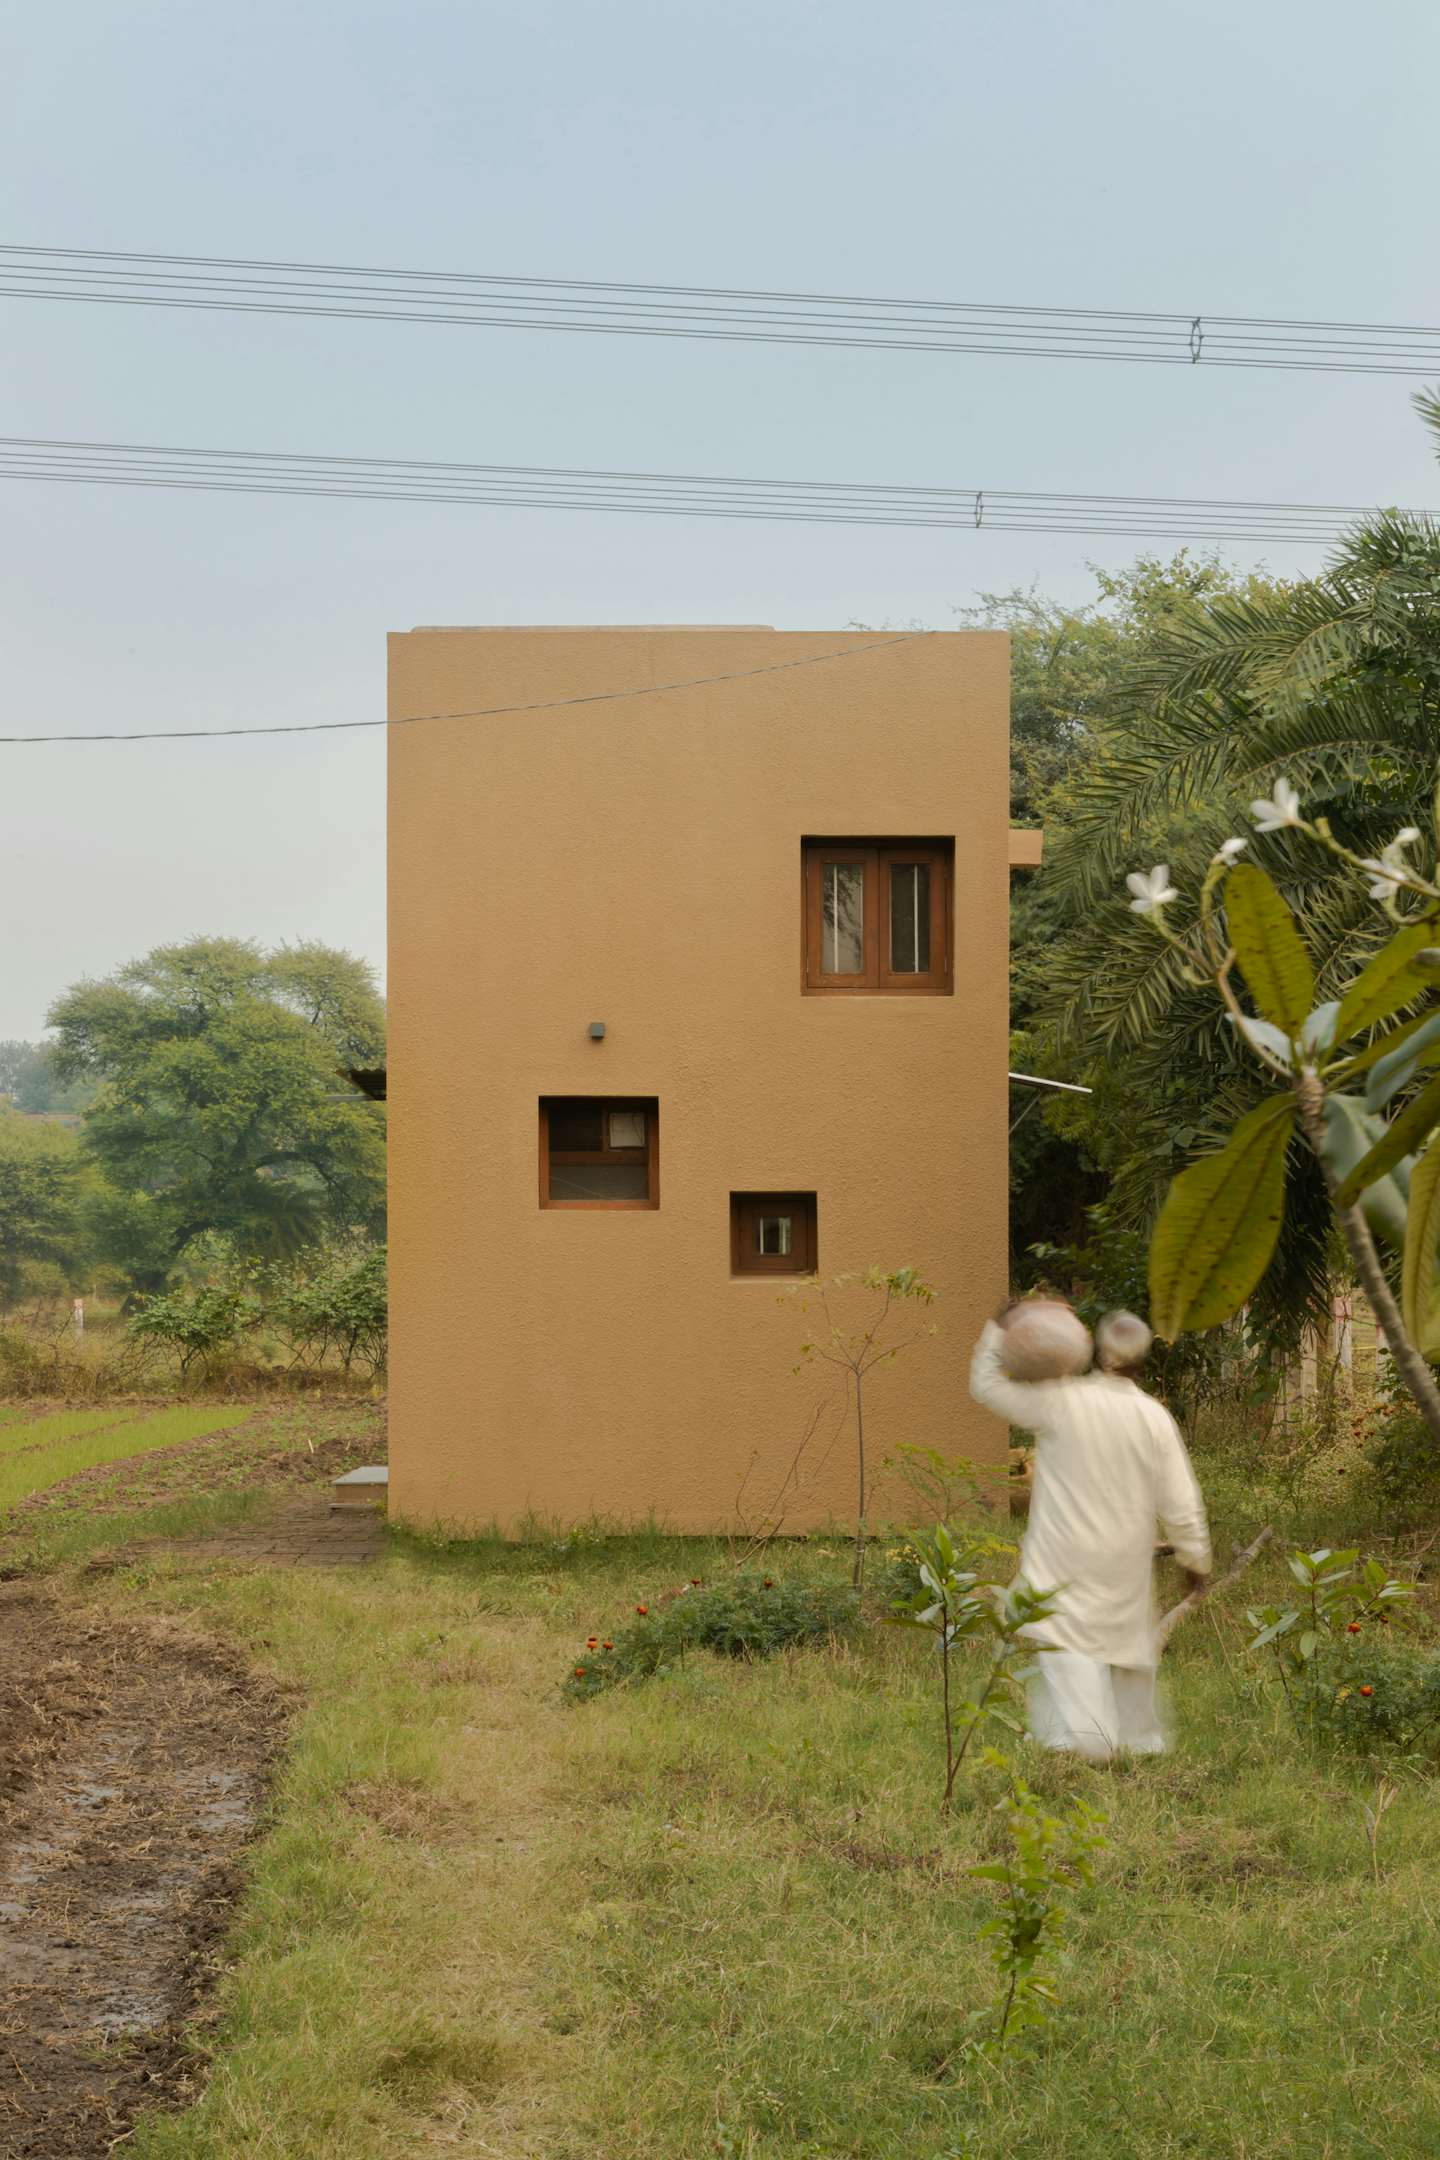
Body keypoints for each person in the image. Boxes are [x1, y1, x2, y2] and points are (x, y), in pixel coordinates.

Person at [970, 1302, 1211, 1762]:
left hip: (1061, 1560)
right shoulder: (1154, 1418)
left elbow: (986, 1385)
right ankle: (1138, 1747)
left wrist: (999, 1328)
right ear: (1143, 1361)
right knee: (1129, 1654)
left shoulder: (1063, 1401)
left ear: (1099, 1353)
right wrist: (1194, 1561)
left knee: (1068, 1649)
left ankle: (1089, 1745)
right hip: (1124, 1562)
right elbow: (1181, 1502)